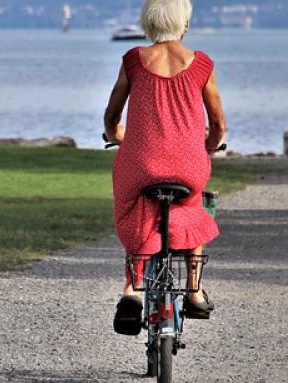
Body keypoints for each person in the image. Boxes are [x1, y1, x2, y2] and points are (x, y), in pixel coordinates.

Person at [103, 0, 227, 336]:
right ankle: (194, 290)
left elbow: (113, 112)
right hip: (188, 165)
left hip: (141, 162)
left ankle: (131, 289)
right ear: (184, 23)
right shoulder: (202, 64)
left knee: (133, 206)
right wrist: (211, 144)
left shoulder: (133, 60)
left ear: (148, 22)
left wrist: (115, 134)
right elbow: (217, 122)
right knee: (193, 205)